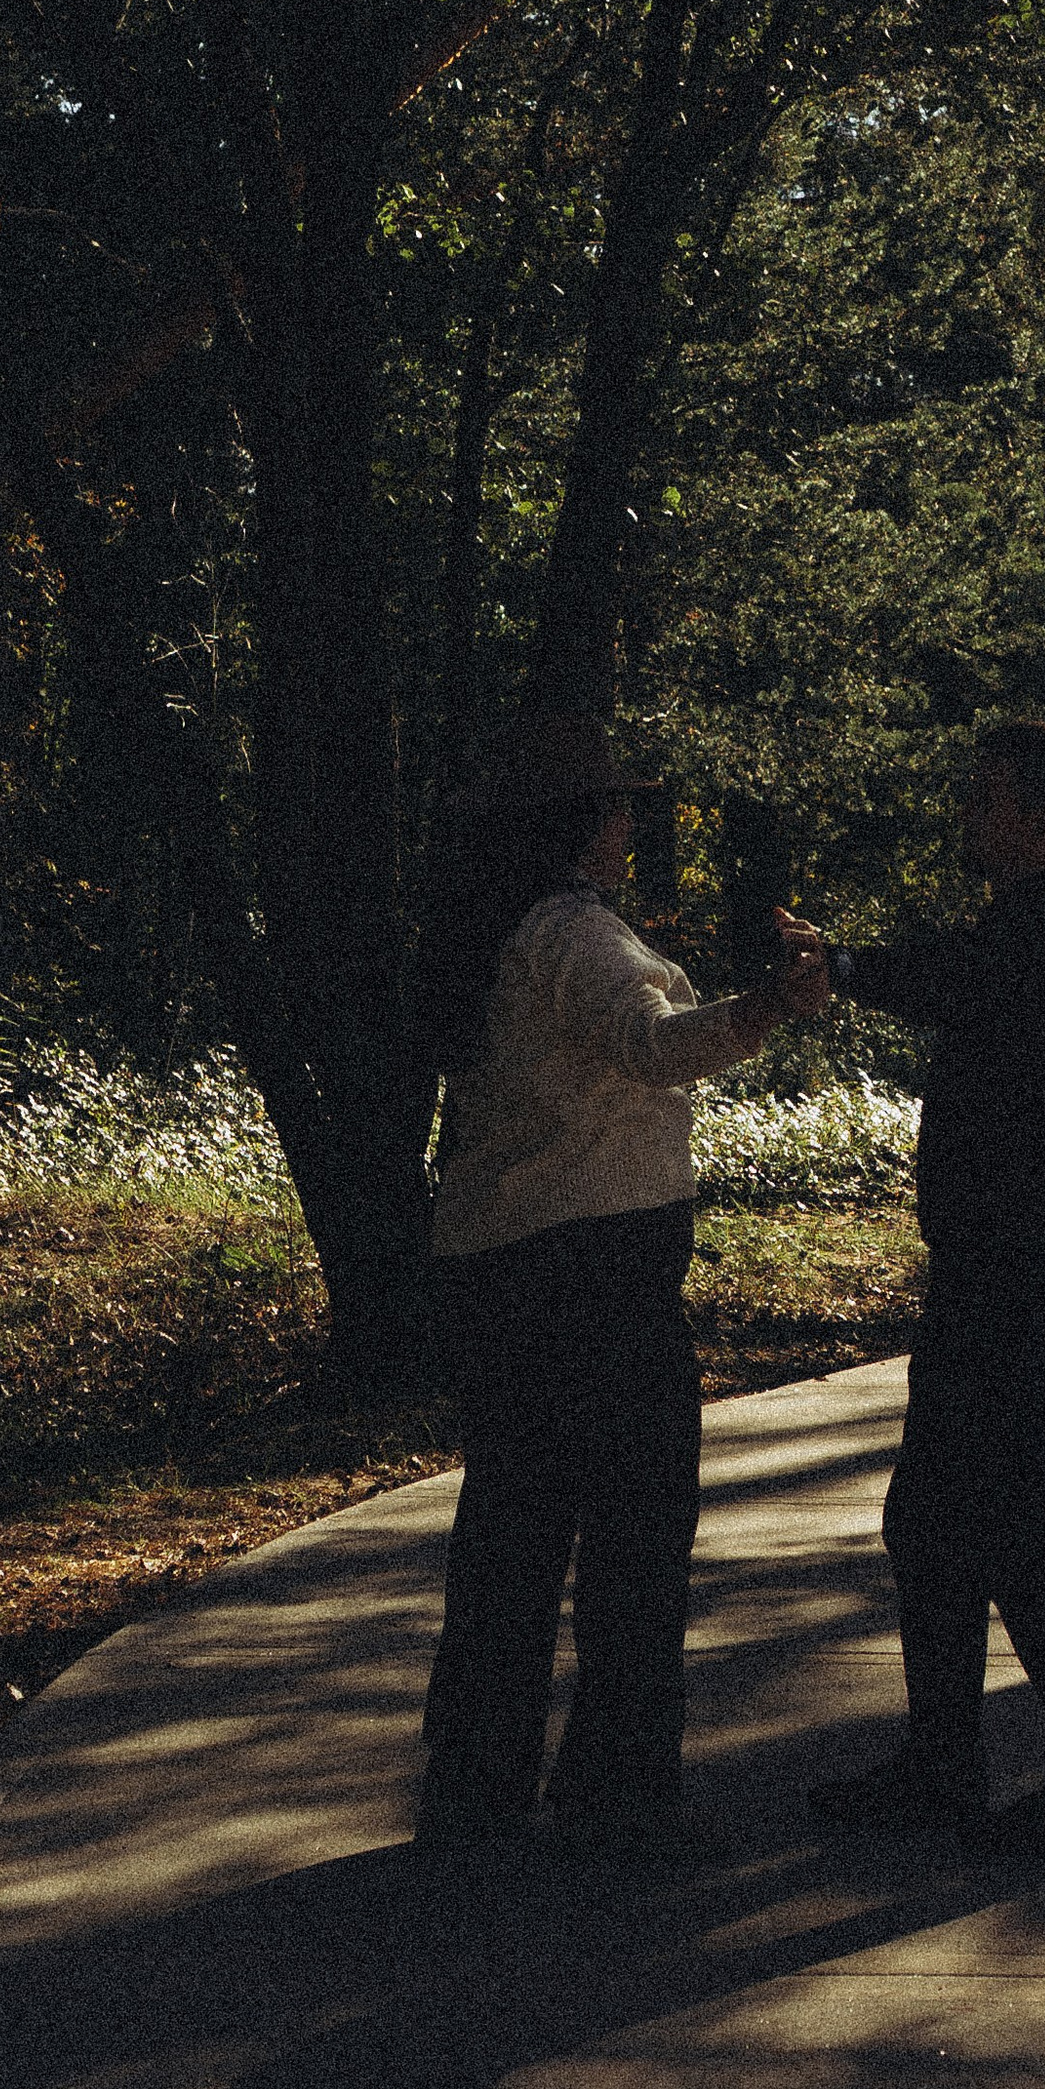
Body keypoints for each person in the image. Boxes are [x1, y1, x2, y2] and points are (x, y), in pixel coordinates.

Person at [415, 716, 824, 1860]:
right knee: (636, 1528)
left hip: (499, 1261)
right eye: (616, 804)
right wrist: (766, 1012)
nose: (631, 822)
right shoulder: (574, 934)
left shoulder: (493, 929)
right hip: (592, 1267)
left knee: (513, 1523)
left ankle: (478, 1777)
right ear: (580, 824)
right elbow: (652, 1048)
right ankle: (618, 1783)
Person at [806, 719, 1045, 1868]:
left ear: (1042, 825)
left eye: (988, 799)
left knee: (1022, 1531)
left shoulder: (1042, 923)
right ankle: (944, 1766)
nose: (968, 814)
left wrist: (842, 968)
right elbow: (956, 977)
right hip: (995, 1271)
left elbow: (948, 981)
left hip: (1016, 1274)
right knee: (935, 1525)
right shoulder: (1032, 920)